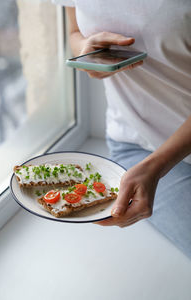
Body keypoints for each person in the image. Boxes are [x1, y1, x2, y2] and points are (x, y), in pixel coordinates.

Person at [53, 0, 191, 259]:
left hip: (156, 162)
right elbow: (74, 33)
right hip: (138, 146)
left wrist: (156, 166)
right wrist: (86, 51)